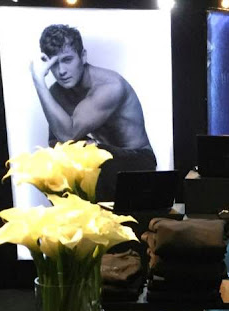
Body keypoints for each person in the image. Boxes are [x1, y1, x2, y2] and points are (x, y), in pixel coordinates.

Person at [31, 24, 157, 200]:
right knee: (49, 164)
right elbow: (56, 143)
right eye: (54, 63)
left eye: (67, 60)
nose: (61, 71)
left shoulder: (110, 86)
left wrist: (38, 81)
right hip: (104, 161)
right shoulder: (57, 92)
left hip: (138, 162)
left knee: (90, 155)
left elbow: (67, 136)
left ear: (82, 56)